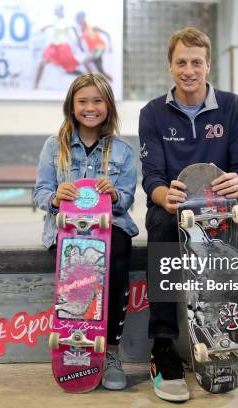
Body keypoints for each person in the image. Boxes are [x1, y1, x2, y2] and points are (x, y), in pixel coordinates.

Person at [138, 27, 238, 402]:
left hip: (225, 210)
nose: (189, 70)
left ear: (208, 65)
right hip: (178, 212)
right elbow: (152, 178)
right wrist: (163, 196)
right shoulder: (153, 113)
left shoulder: (234, 106)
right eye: (181, 62)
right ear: (170, 66)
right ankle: (162, 347)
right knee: (157, 220)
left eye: (196, 62)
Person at [33, 73, 139, 390]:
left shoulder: (122, 150)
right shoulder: (54, 147)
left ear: (108, 106)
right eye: (83, 101)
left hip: (110, 231)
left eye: (97, 101)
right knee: (80, 257)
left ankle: (111, 352)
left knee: (116, 250)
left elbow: (129, 198)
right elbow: (39, 193)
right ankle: (74, 343)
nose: (90, 107)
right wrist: (55, 198)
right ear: (71, 106)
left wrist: (115, 194)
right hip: (68, 232)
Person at [33, 4, 83, 89]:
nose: (54, 12)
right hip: (53, 47)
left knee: (69, 70)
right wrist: (44, 28)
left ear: (61, 10)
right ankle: (35, 86)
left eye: (56, 10)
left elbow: (74, 30)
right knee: (42, 63)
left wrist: (79, 43)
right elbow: (52, 25)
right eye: (54, 10)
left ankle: (84, 78)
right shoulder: (55, 19)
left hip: (63, 48)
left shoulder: (67, 20)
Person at [75, 11, 113, 82]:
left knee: (86, 62)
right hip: (93, 50)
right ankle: (114, 82)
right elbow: (80, 41)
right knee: (102, 72)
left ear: (83, 18)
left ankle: (93, 81)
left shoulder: (92, 27)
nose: (78, 22)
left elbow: (107, 34)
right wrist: (80, 47)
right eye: (77, 20)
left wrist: (110, 46)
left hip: (99, 48)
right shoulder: (82, 31)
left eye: (79, 19)